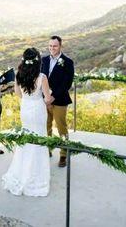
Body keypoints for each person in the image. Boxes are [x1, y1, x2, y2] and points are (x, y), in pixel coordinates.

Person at [2, 47, 54, 196]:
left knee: (26, 140)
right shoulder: (42, 77)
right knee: (39, 139)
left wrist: (28, 97)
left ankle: (22, 173)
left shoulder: (19, 75)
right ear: (37, 61)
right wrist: (49, 97)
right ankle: (36, 176)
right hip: (38, 109)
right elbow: (47, 98)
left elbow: (18, 93)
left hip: (26, 108)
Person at [41, 35, 74, 168]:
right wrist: (45, 97)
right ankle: (48, 149)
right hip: (44, 100)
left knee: (61, 127)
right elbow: (40, 79)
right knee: (46, 126)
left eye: (54, 46)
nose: (52, 48)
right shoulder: (43, 60)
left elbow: (67, 83)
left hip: (59, 100)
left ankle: (63, 154)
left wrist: (53, 96)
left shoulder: (67, 61)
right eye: (50, 46)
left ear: (60, 46)